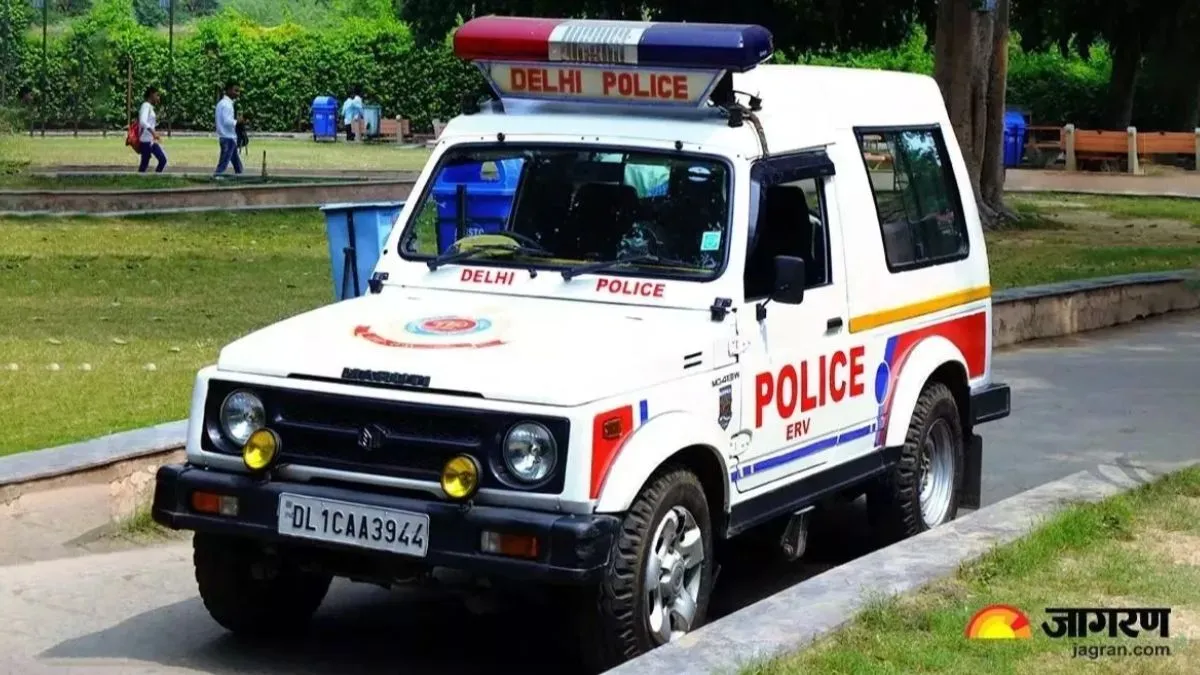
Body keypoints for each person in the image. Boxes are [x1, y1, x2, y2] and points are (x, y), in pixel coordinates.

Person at [214, 80, 244, 175]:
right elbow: (227, 122)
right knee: (223, 164)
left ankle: (240, 176)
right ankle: (217, 177)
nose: (238, 94)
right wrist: (238, 121)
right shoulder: (227, 105)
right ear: (229, 90)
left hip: (226, 137)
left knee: (237, 165)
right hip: (228, 138)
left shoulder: (221, 103)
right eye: (236, 90)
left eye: (238, 91)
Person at [137, 86, 167, 173]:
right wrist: (153, 132)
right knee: (144, 164)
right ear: (151, 95)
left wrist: (155, 133)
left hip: (151, 141)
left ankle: (155, 177)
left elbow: (149, 123)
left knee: (162, 160)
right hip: (145, 141)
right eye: (157, 95)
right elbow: (143, 121)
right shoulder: (146, 106)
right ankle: (139, 179)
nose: (158, 97)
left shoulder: (149, 107)